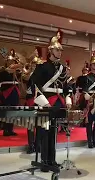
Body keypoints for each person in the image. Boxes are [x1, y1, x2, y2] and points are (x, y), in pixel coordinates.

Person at [31, 29, 68, 172]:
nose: (60, 53)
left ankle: (51, 159)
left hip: (58, 102)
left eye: (61, 51)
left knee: (53, 132)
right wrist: (43, 101)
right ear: (50, 51)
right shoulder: (42, 66)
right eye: (57, 50)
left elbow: (65, 86)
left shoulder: (62, 68)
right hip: (46, 102)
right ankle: (44, 161)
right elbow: (34, 84)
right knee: (44, 132)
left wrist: (68, 98)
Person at [0, 48, 23, 136]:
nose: (12, 63)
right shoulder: (2, 70)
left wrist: (18, 69)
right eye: (10, 62)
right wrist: (10, 70)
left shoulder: (16, 71)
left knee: (13, 111)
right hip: (7, 92)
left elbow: (21, 77)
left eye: (13, 62)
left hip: (14, 92)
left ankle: (10, 129)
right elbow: (3, 75)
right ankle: (5, 129)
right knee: (7, 111)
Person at [25, 47, 44, 154]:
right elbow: (25, 81)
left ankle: (38, 145)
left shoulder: (42, 76)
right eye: (33, 64)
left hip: (40, 99)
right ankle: (31, 145)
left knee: (40, 124)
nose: (34, 66)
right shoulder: (28, 75)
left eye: (36, 65)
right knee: (30, 124)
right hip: (30, 99)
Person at [60, 59, 75, 133]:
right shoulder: (61, 78)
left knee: (68, 112)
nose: (67, 71)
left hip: (69, 96)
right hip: (62, 96)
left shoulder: (72, 79)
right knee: (62, 112)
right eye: (66, 70)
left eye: (68, 70)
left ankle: (66, 126)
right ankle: (62, 126)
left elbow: (74, 89)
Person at [76, 62, 89, 127]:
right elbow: (77, 86)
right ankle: (81, 121)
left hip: (87, 94)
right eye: (84, 70)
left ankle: (86, 121)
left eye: (86, 70)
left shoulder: (89, 77)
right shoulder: (79, 78)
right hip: (81, 94)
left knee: (87, 107)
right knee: (81, 108)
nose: (85, 71)